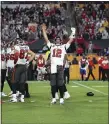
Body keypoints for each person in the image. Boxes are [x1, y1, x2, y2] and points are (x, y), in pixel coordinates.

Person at [42, 24, 75, 104]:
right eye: (56, 39)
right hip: (53, 66)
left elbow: (70, 40)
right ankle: (54, 98)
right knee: (53, 84)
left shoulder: (63, 46)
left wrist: (73, 32)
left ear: (60, 41)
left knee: (60, 84)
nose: (57, 40)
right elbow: (46, 39)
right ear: (55, 41)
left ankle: (61, 98)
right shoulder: (52, 46)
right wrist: (43, 30)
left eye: (58, 39)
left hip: (59, 66)